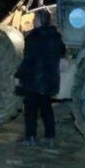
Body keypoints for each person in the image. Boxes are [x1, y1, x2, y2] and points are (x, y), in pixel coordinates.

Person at [14, 9, 65, 147]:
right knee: (46, 108)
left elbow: (29, 59)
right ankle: (50, 137)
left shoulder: (33, 37)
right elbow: (61, 52)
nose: (33, 21)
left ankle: (30, 137)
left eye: (35, 19)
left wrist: (18, 74)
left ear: (40, 21)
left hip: (34, 79)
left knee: (30, 110)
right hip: (49, 79)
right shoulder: (56, 37)